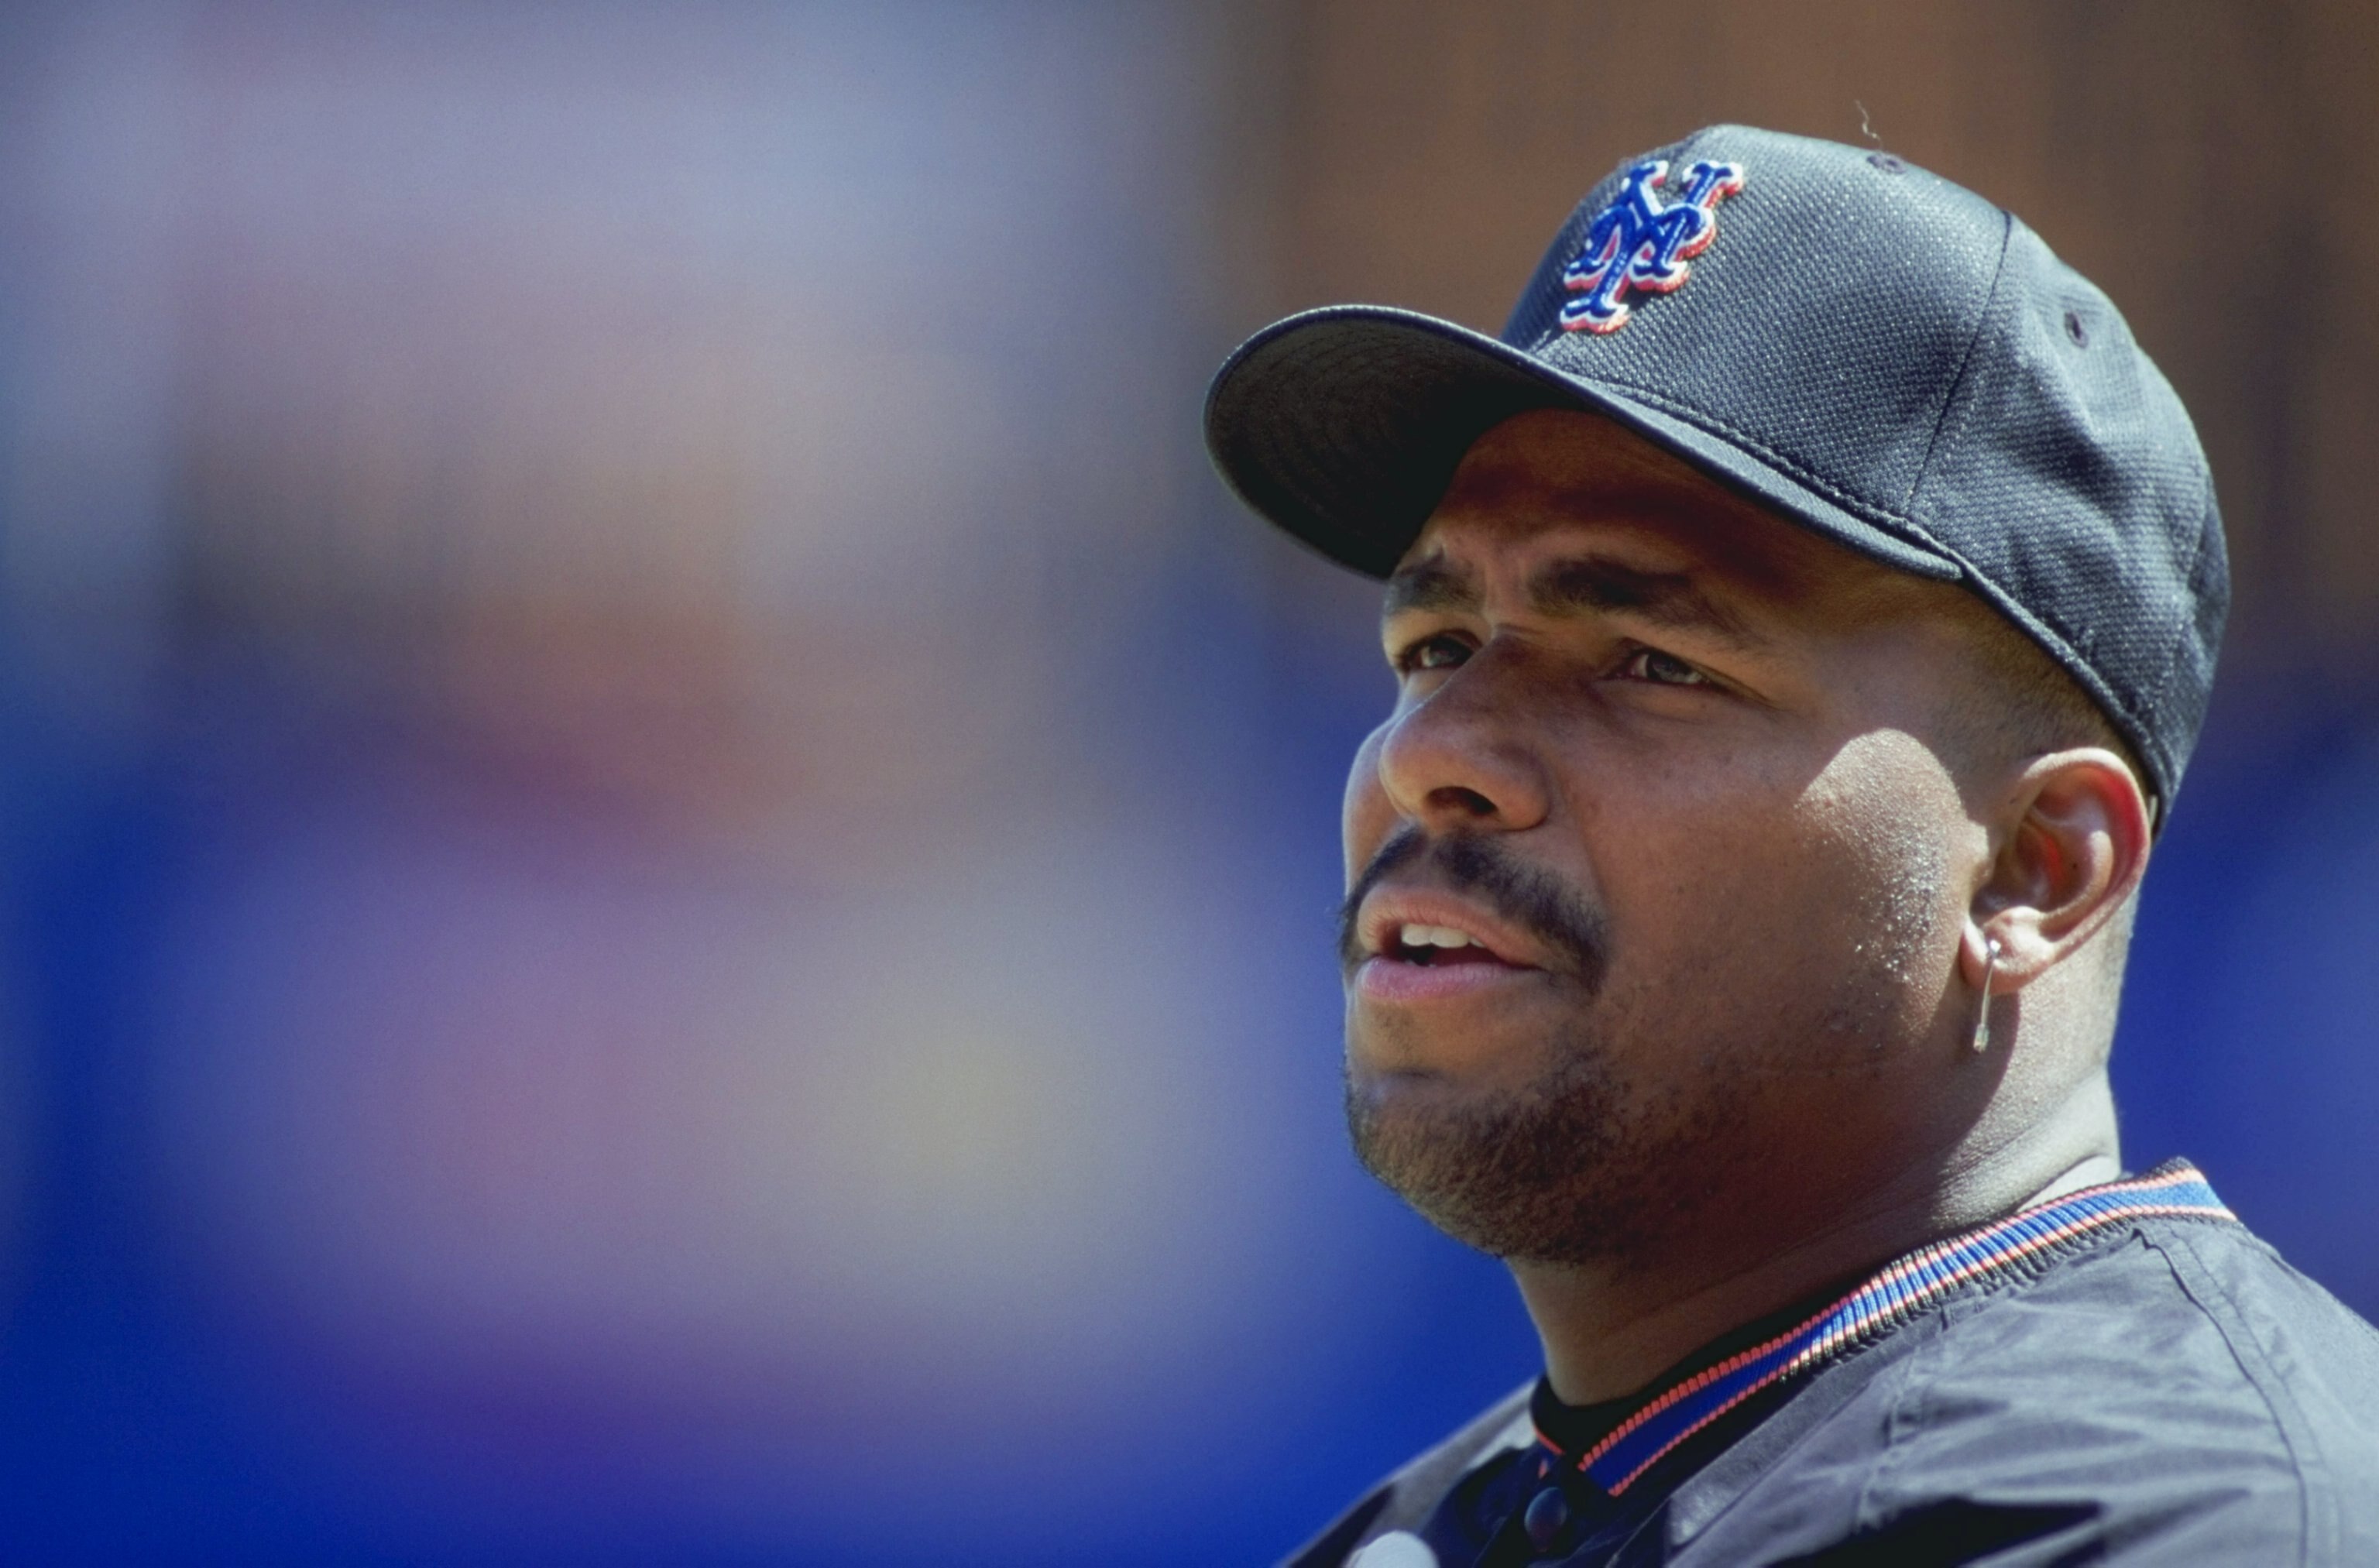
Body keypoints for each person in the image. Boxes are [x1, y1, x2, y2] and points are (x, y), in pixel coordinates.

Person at [1203, 125, 2379, 1567]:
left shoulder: (2191, 1520)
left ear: (2033, 868)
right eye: (1438, 644)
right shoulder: (1430, 1531)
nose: (1434, 754)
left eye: (1650, 662)